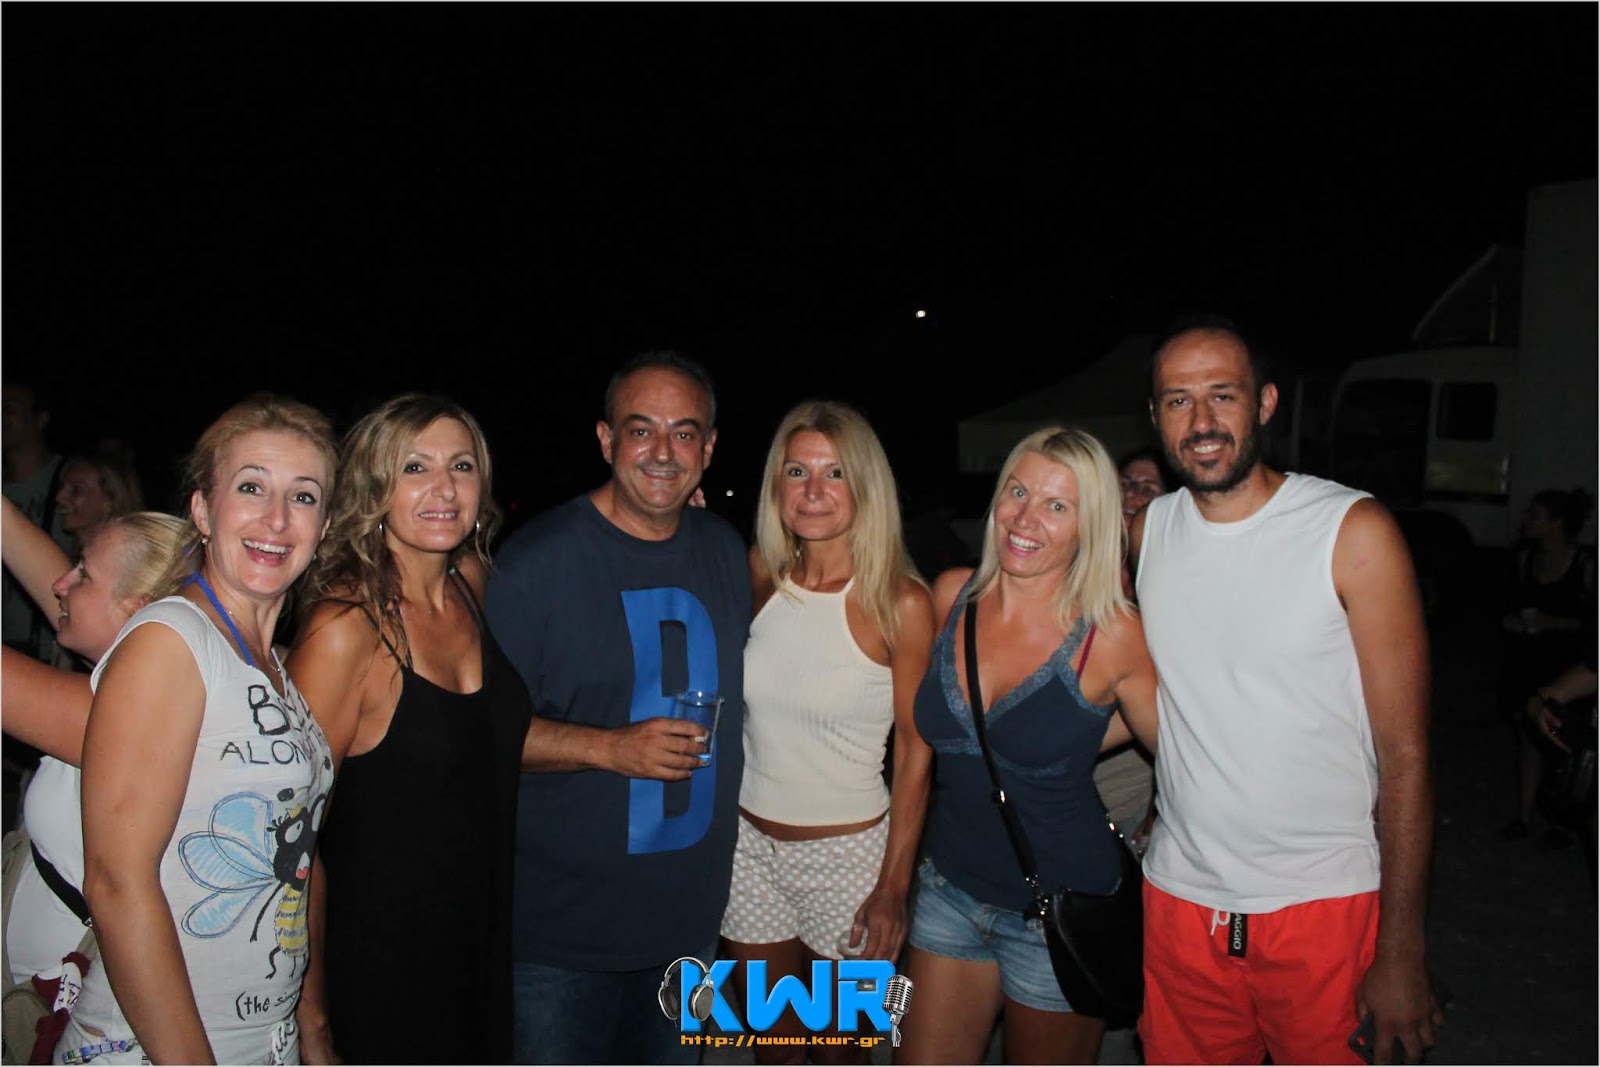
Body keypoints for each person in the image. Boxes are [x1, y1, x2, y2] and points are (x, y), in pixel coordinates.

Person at [1130, 316, 1440, 1066]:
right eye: (1178, 401)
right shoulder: (1148, 532)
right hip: (1180, 905)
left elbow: (1406, 756)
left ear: (1265, 403)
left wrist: (1402, 948)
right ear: (1155, 416)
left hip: (1323, 907)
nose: (1201, 422)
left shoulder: (1351, 531)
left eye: (1223, 395)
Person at [55, 394, 338, 1065]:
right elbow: (117, 882)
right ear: (204, 511)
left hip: (262, 1042)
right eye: (251, 487)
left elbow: (296, 864)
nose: (277, 518)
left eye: (303, 496)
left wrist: (313, 1031)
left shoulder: (269, 664)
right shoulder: (171, 641)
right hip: (151, 1048)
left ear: (324, 526)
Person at [485, 351, 751, 1065]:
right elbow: (480, 737)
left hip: (689, 924)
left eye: (684, 432)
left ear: (709, 448)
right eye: (641, 430)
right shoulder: (536, 564)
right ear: (606, 440)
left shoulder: (726, 550)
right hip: (562, 935)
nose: (663, 452)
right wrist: (609, 748)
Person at [896, 426, 1159, 1066]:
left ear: (1090, 525)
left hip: (1058, 910)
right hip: (949, 890)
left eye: (1056, 505)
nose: (1025, 518)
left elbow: (1190, 756)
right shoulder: (952, 595)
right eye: (1017, 492)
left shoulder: (1111, 635)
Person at [287, 394, 534, 1064]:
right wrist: (313, 1022)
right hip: (380, 971)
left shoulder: (469, 584)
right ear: (374, 488)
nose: (444, 488)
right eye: (415, 467)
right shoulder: (346, 628)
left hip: (479, 948)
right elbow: (292, 842)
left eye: (461, 465)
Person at [723, 401, 936, 1063]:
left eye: (835, 472)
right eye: (797, 471)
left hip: (849, 860)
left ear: (865, 485)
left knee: (840, 1050)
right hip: (748, 849)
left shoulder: (899, 601)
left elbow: (916, 754)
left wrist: (893, 887)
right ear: (776, 485)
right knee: (774, 1047)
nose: (813, 490)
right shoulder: (761, 573)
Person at [3, 501, 186, 1004]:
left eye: (82, 574)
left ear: (137, 609)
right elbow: (24, 548)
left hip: (65, 1011)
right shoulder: (138, 684)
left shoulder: (128, 720)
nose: (60, 583)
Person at [1498, 487, 1595, 843]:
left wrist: (1553, 623)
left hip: (1572, 665)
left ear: (1556, 522)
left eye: (1534, 515)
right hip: (1529, 662)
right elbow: (1503, 605)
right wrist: (1511, 622)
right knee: (1529, 737)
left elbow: (1593, 624)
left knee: (1565, 743)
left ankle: (1560, 820)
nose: (1525, 520)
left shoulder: (1586, 564)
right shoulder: (1524, 559)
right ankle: (1524, 817)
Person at [1091, 447, 1170, 848]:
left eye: (1149, 488)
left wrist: (1162, 806)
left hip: (1131, 796)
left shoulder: (1168, 587)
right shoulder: (1075, 574)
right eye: (1126, 483)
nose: (1134, 493)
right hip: (1066, 793)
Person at [53, 443, 144, 553]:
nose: (59, 498)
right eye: (61, 487)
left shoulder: (123, 557)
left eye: (76, 490)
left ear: (110, 501)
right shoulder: (79, 555)